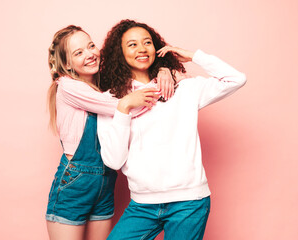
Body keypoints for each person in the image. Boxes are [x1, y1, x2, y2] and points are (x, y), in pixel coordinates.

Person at [97, 19, 247, 240]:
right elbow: (113, 161)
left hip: (189, 202)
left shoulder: (184, 88)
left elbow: (236, 79)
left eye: (147, 42)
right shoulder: (111, 100)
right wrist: (124, 107)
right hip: (142, 204)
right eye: (132, 44)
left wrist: (193, 56)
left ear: (156, 48)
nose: (141, 49)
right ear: (119, 53)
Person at [45, 25, 175, 240]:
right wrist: (156, 90)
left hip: (106, 180)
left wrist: (163, 70)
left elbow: (137, 74)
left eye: (91, 46)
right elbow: (123, 106)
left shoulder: (104, 83)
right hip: (76, 181)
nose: (90, 54)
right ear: (67, 64)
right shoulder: (68, 86)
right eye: (78, 53)